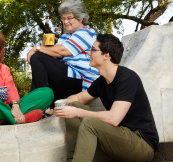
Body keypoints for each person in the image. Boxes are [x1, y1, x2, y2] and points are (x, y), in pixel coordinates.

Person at [55, 34, 159, 162]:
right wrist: (60, 104)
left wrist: (78, 113)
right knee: (73, 105)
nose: (89, 53)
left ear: (106, 55)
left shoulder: (127, 78)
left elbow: (114, 118)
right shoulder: (101, 82)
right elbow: (78, 98)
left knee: (89, 122)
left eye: (93, 50)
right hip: (119, 137)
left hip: (142, 145)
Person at [27, 0, 100, 106]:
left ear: (80, 18)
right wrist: (44, 47)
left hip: (81, 81)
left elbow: (61, 51)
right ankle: (39, 106)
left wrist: (37, 49)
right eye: (63, 18)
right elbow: (54, 58)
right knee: (40, 60)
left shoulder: (86, 33)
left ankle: (38, 103)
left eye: (69, 18)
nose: (65, 22)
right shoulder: (65, 37)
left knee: (37, 57)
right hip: (68, 78)